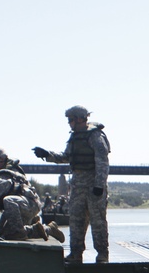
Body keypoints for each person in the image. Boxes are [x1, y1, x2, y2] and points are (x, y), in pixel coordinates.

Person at [33, 105, 111, 263]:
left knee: (98, 221)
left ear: (80, 119)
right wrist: (47, 155)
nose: (69, 123)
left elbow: (102, 161)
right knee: (76, 220)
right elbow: (66, 156)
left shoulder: (95, 136)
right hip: (77, 186)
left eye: (71, 120)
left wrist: (99, 185)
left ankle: (102, 254)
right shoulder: (74, 137)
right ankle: (76, 254)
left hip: (93, 185)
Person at [0, 170, 64, 242]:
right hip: (20, 207)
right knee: (5, 233)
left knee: (8, 201)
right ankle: (48, 229)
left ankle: (21, 231)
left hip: (30, 204)